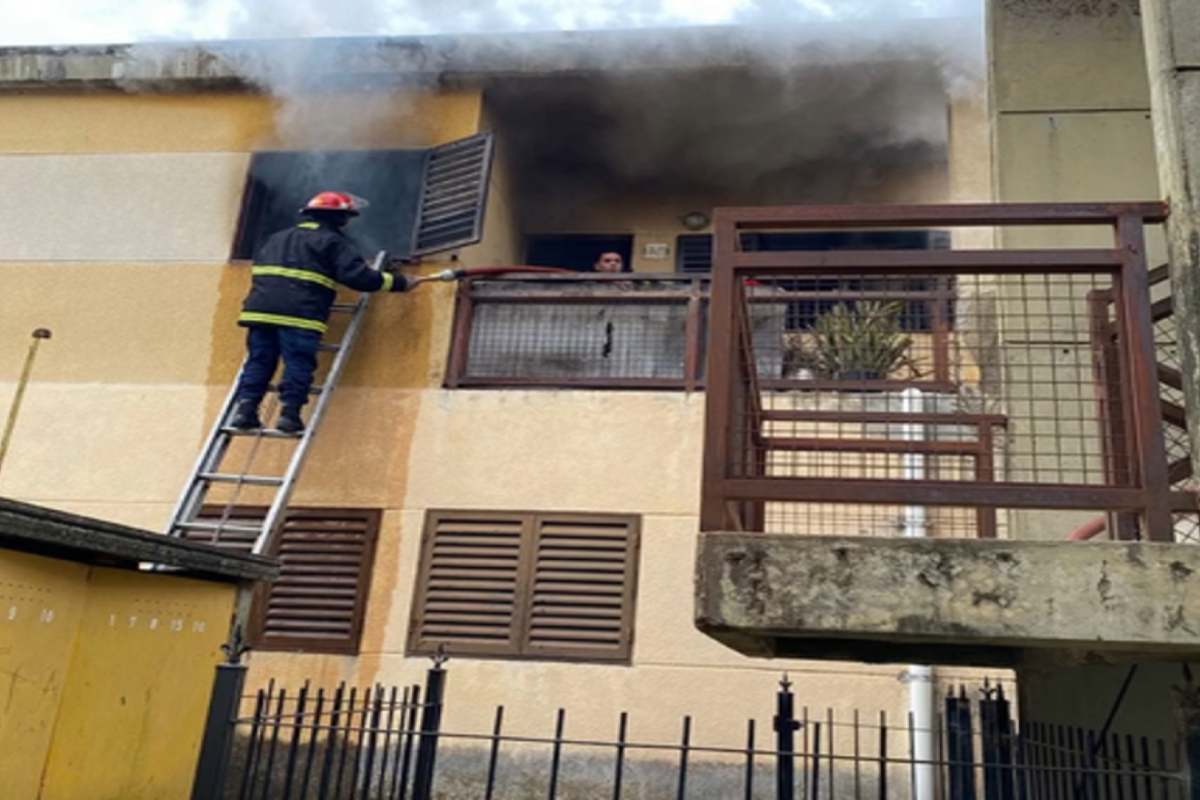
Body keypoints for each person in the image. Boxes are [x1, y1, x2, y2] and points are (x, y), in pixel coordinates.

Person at [229, 190, 413, 434]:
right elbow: (358, 277)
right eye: (347, 218)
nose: (348, 224)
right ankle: (289, 415)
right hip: (300, 314)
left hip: (260, 312)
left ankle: (245, 411)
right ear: (339, 219)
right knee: (298, 363)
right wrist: (399, 283)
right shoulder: (332, 242)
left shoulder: (275, 238)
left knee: (259, 361)